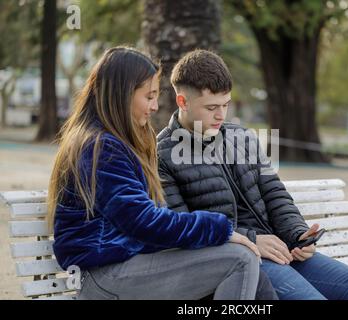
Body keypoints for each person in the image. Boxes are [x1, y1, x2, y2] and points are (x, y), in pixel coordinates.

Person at [157, 49, 348, 300]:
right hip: (237, 259)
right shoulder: (161, 154)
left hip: (282, 249)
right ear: (183, 102)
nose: (221, 115)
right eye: (211, 107)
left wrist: (298, 234)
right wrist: (253, 240)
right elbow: (181, 227)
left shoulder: (242, 137)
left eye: (225, 105)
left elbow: (274, 192)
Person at [47, 46, 274, 300]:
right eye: (149, 96)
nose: (155, 106)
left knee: (247, 266)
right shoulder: (100, 148)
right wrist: (218, 228)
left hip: (129, 264)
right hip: (106, 277)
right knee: (240, 259)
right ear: (122, 95)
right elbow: (144, 221)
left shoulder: (117, 140)